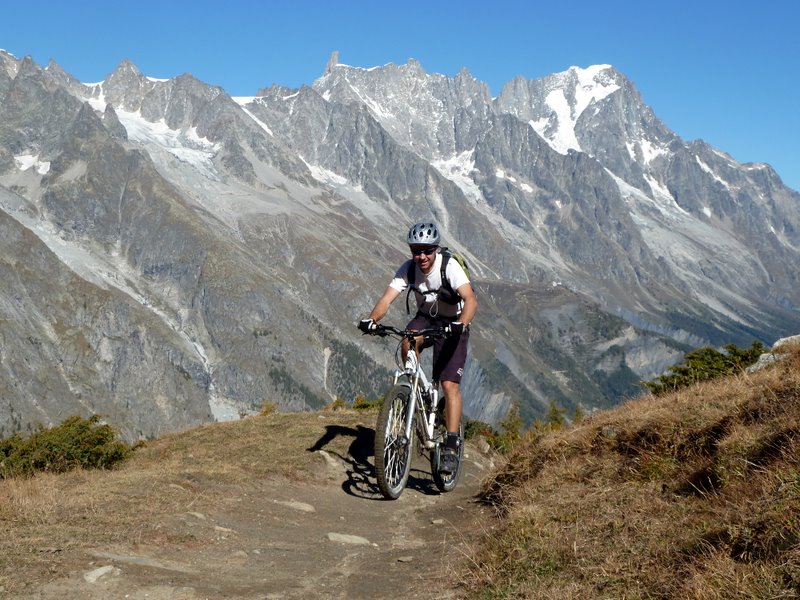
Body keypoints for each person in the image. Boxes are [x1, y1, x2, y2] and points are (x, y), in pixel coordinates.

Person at [358, 222, 477, 474]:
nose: (421, 256)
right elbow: (387, 298)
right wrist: (372, 320)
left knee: (449, 385)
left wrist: (460, 325)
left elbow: (470, 300)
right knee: (408, 338)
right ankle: (417, 388)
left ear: (435, 249)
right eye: (416, 250)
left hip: (453, 323)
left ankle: (451, 445)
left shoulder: (449, 266)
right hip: (426, 318)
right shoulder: (409, 269)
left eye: (427, 250)